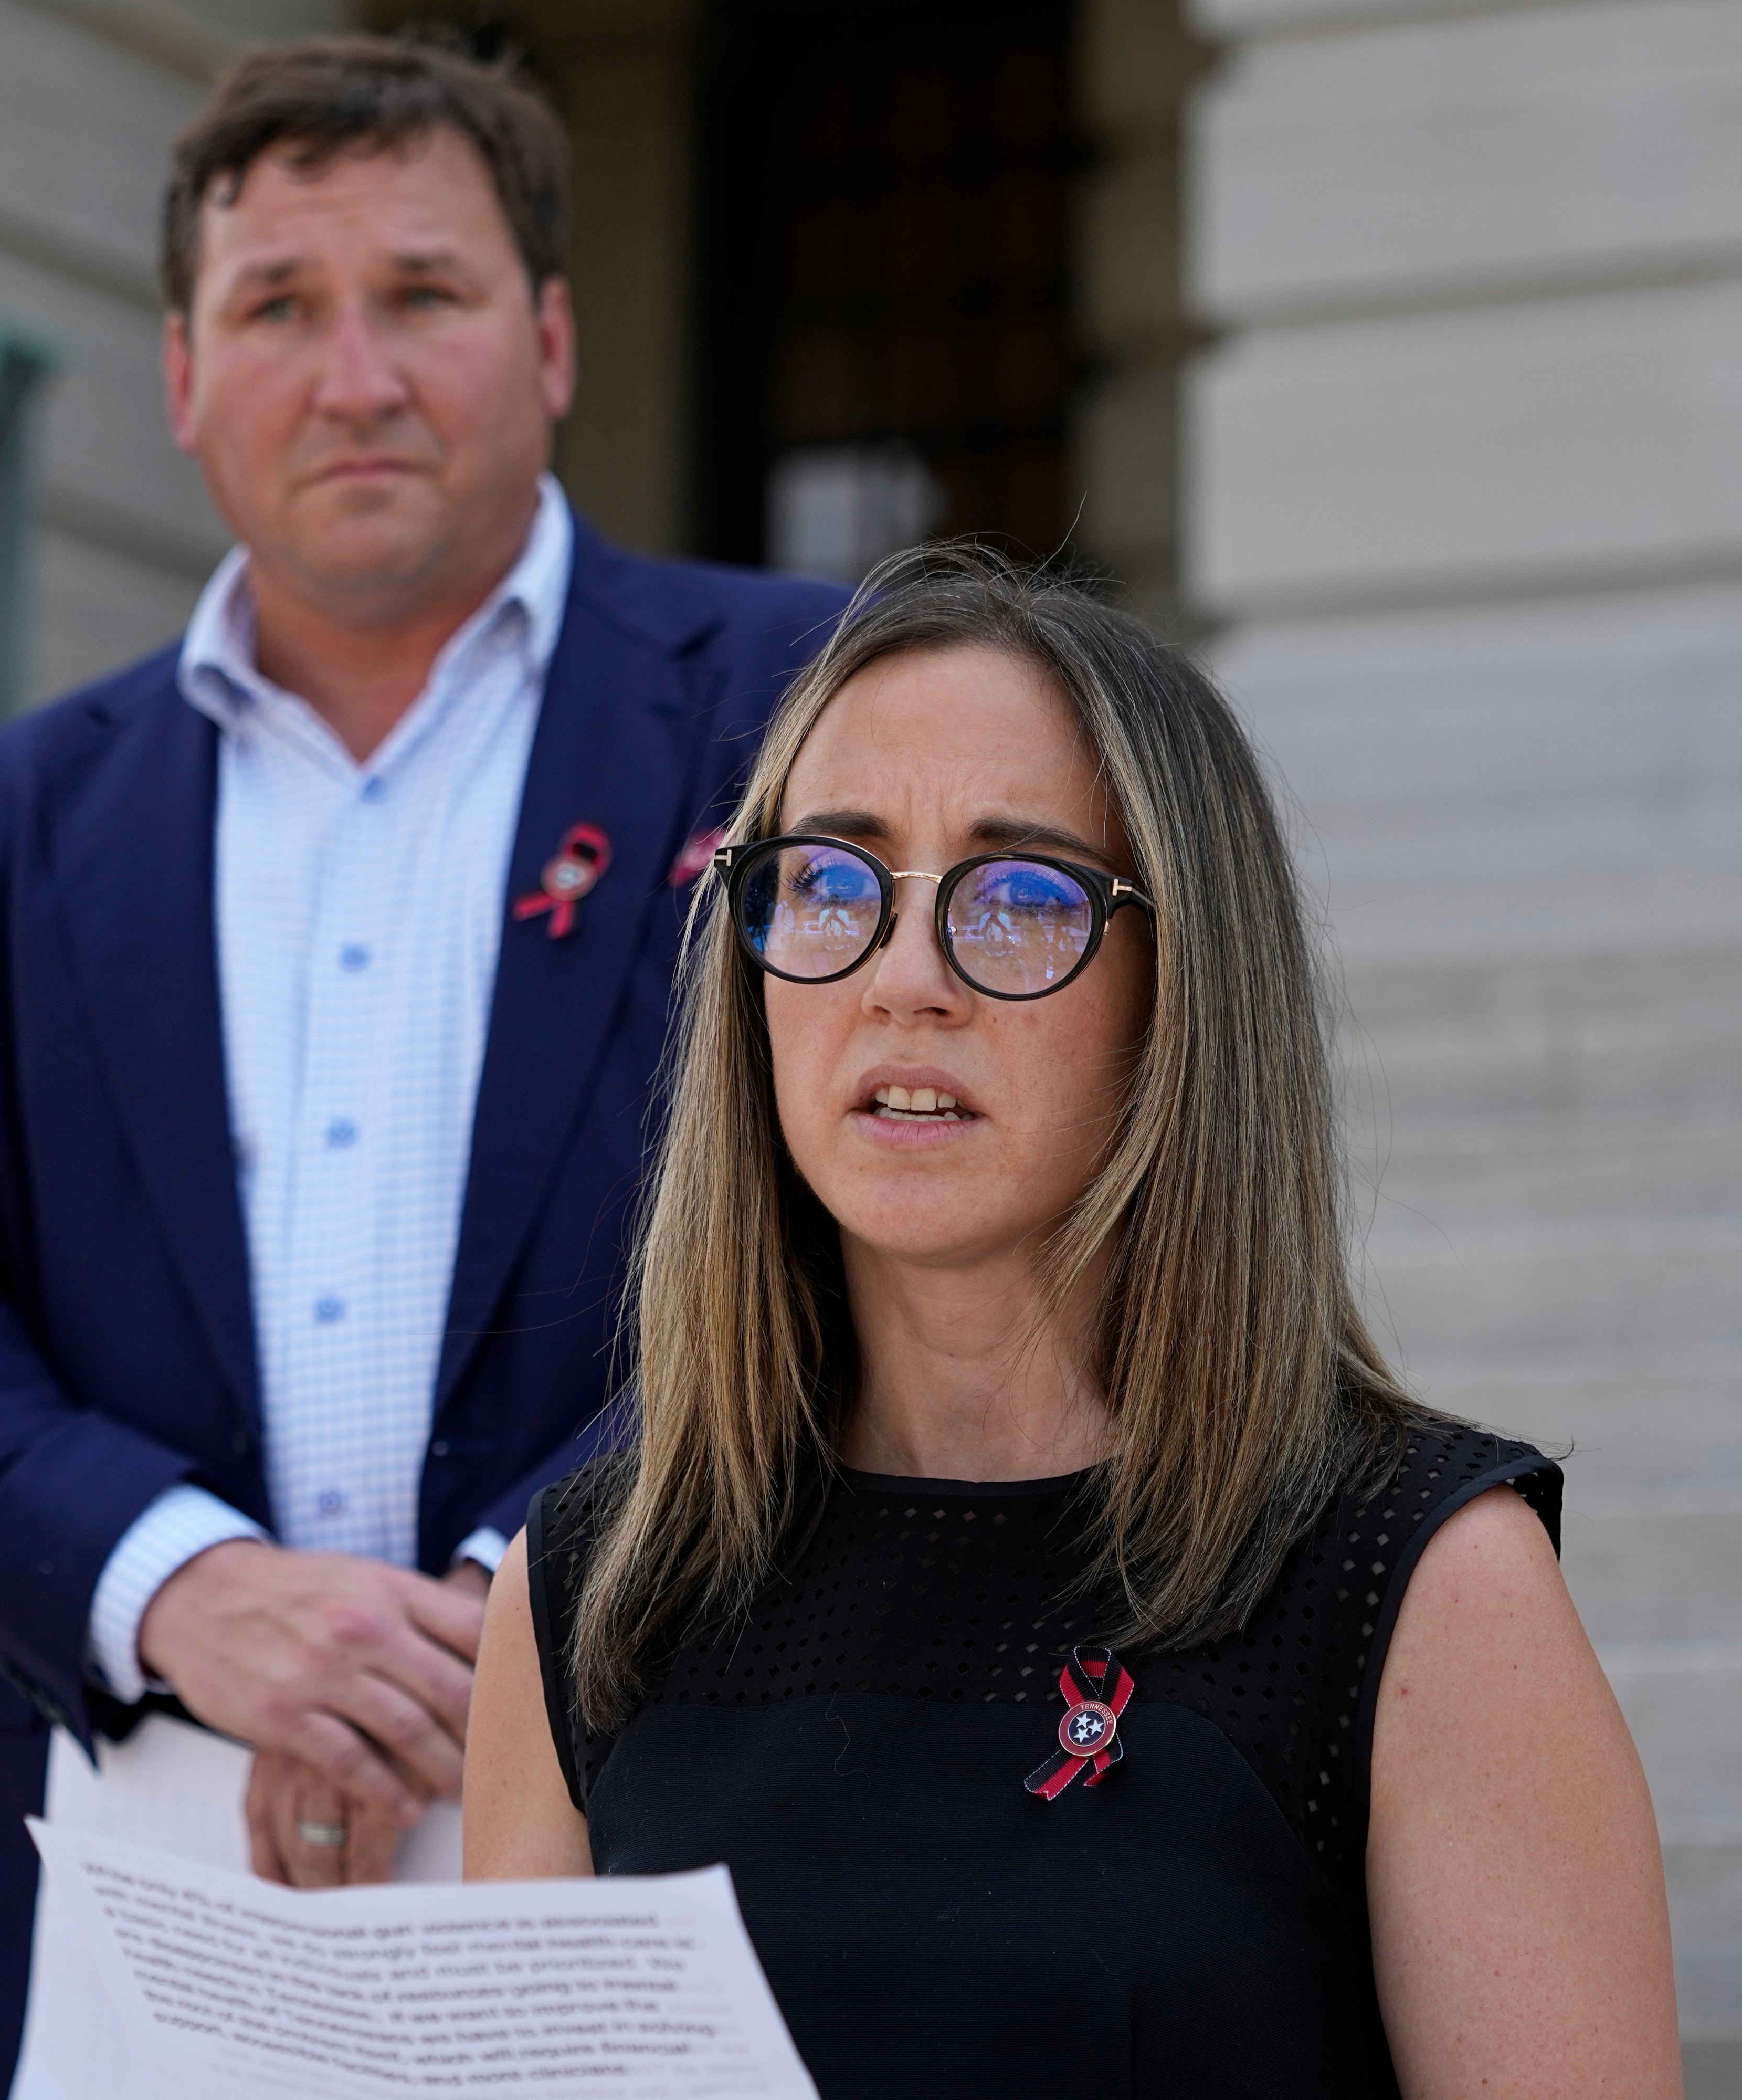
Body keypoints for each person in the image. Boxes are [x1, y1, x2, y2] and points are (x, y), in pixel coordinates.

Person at [0, 33, 847, 2097]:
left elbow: (869, 1232)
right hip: (132, 1886)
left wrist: (494, 1608)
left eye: (423, 295)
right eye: (279, 307)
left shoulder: (798, 710)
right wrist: (187, 1589)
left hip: (658, 1789)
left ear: (547, 336)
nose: (353, 374)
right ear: (180, 375)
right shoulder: (6, 823)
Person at [463, 547, 1680, 2096]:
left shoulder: (1418, 1588)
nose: (903, 979)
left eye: (1020, 897)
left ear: (1181, 991)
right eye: (831, 882)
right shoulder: (590, 1592)